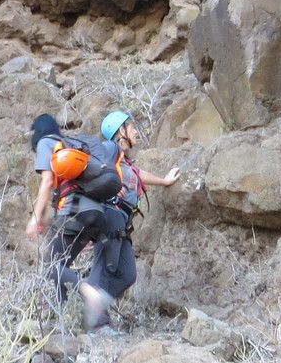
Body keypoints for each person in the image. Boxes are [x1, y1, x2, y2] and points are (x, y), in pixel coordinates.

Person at [26, 112, 180, 331]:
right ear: (120, 132)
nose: (136, 130)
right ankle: (88, 320)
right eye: (131, 126)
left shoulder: (109, 157)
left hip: (89, 213)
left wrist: (164, 181)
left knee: (123, 274)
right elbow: (51, 181)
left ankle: (84, 312)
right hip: (99, 215)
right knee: (61, 266)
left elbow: (134, 173)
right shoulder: (107, 151)